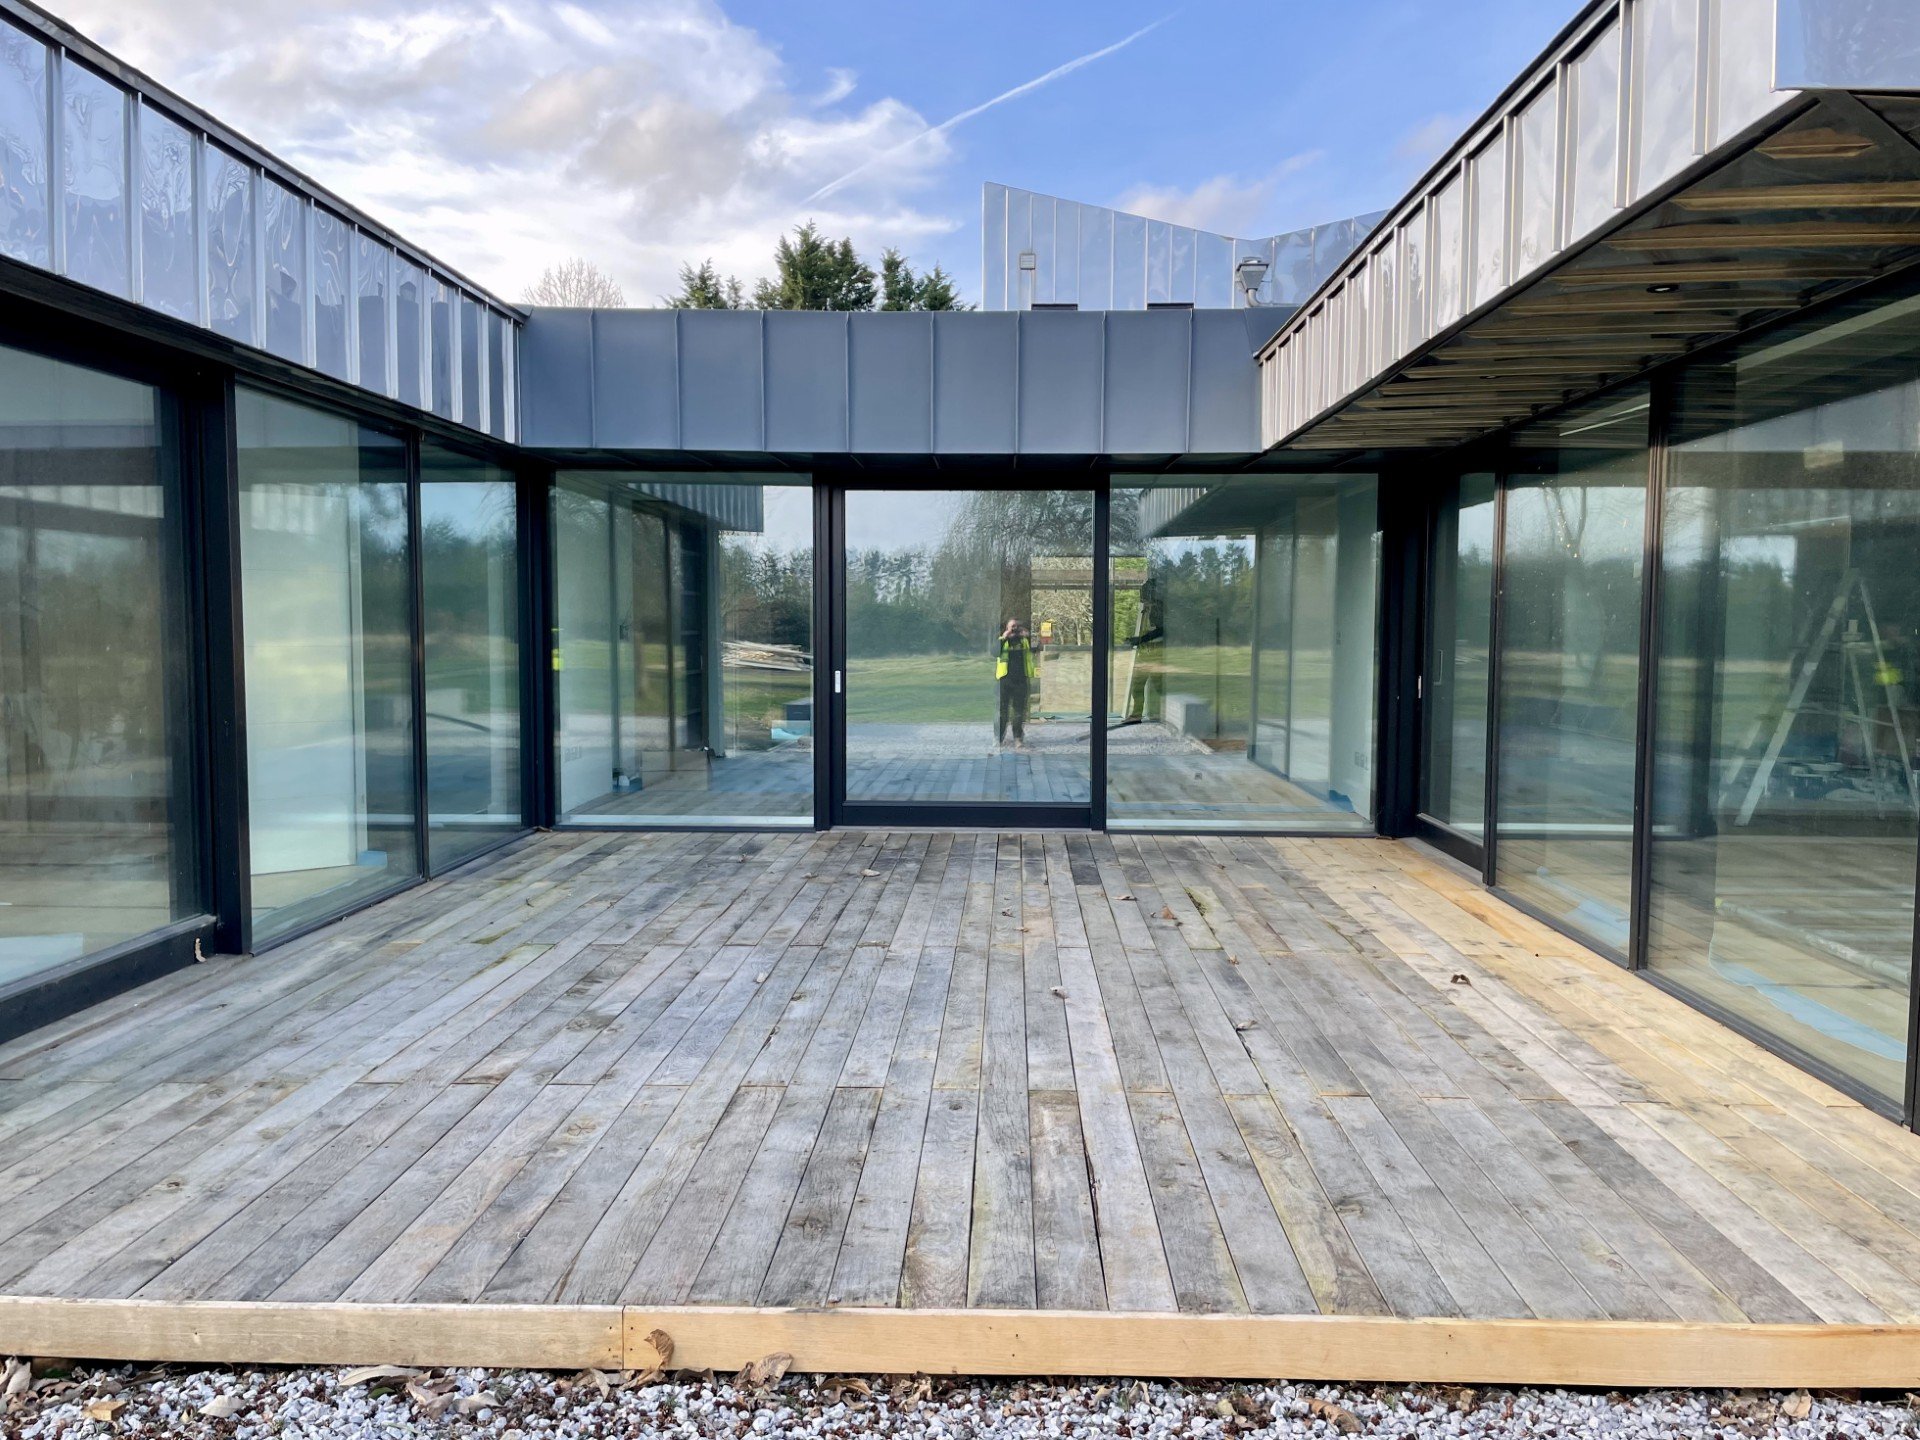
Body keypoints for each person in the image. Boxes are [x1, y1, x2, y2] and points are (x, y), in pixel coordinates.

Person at [996, 618, 1038, 749]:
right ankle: (999, 737)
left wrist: (1029, 635)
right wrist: (1004, 637)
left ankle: (1018, 737)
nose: (1014, 630)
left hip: (1021, 681)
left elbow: (1037, 648)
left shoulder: (1024, 640)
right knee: (1003, 711)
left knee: (1019, 711)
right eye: (1011, 627)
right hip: (1005, 680)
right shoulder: (1003, 641)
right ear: (1006, 628)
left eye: (1016, 627)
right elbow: (993, 652)